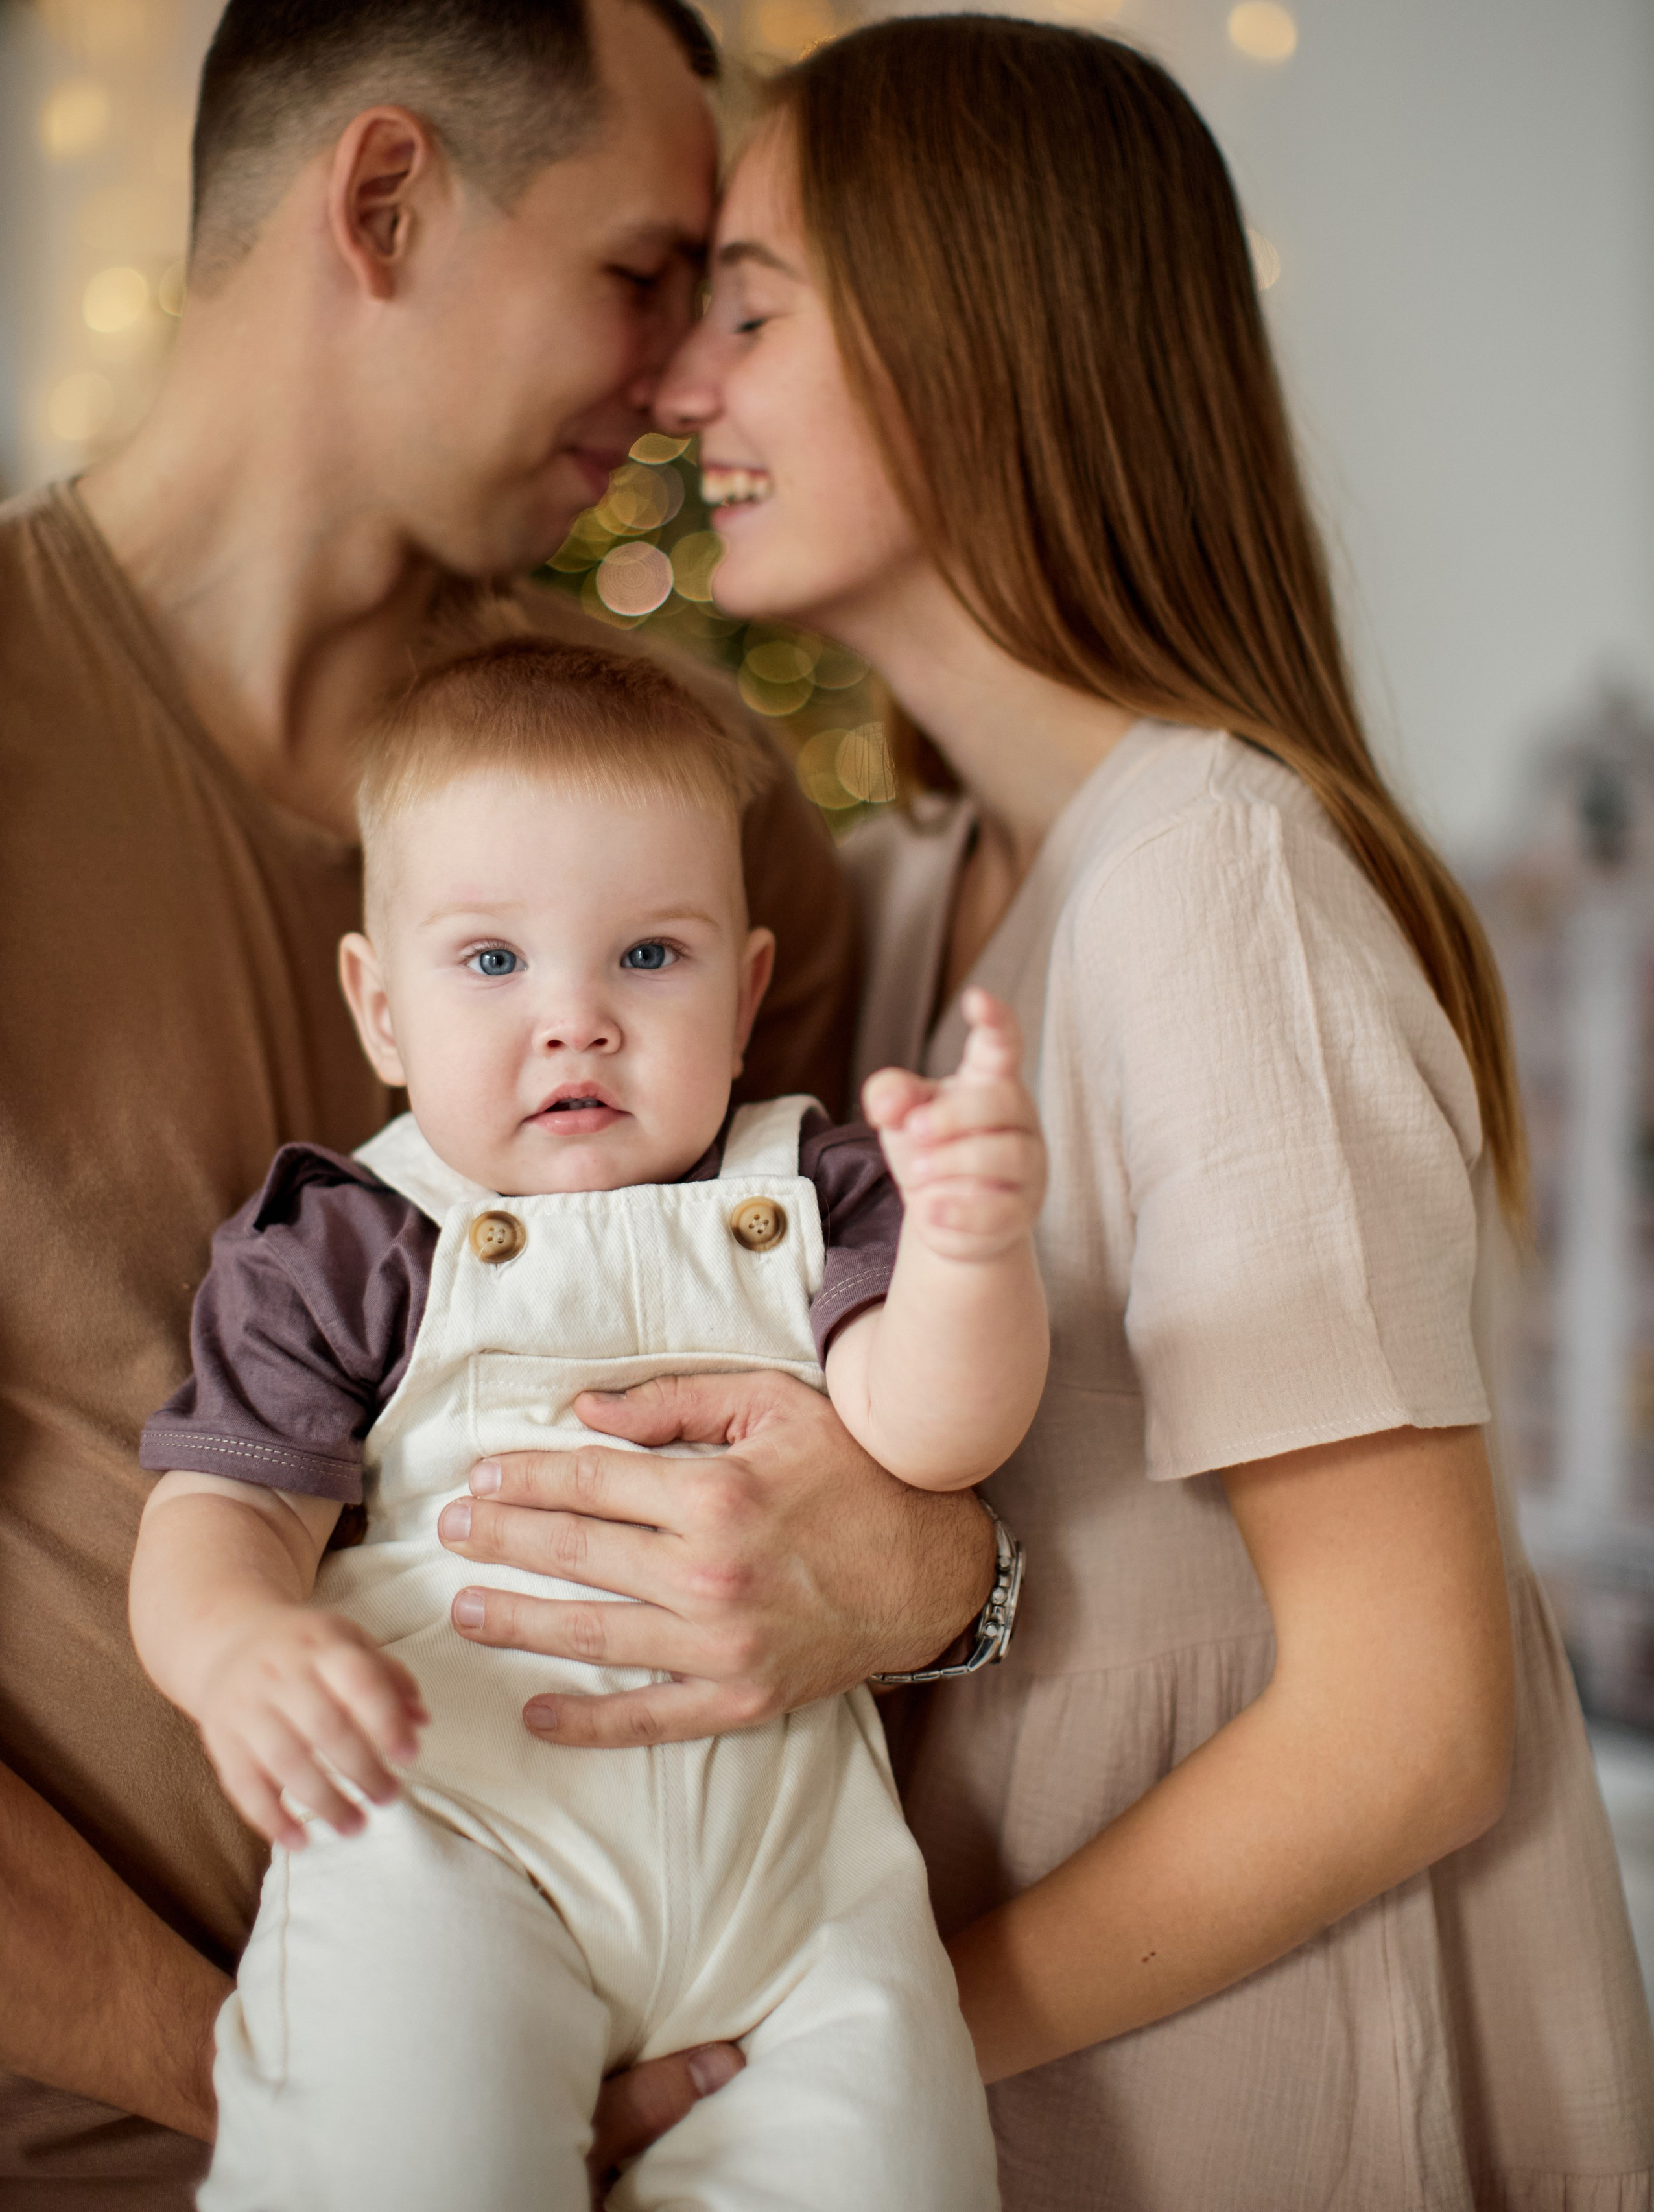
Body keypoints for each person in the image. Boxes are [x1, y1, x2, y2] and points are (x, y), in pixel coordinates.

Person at [569, 12, 1654, 2206]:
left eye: (752, 319)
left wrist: (854, 2053)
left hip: (1236, 2085)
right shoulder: (910, 891)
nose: (685, 395)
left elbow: (1406, 1721)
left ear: (980, 339)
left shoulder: (1210, 880)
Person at [0, 0, 997, 2206]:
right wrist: (295, 2081)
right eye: (646, 272)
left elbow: (888, 1448)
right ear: (385, 197)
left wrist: (942, 1573)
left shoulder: (690, 806)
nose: (682, 380)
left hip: (703, 2086)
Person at [128, 637, 1038, 2212]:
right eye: (491, 963)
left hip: (798, 1907)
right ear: (381, 1007)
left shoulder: (810, 1194)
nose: (576, 1022)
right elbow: (217, 1515)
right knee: (397, 2167)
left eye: (647, 957)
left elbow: (931, 1434)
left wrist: (970, 1250)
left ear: (746, 992)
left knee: (900, 2176)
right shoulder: (349, 1241)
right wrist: (233, 1652)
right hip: (452, 1837)